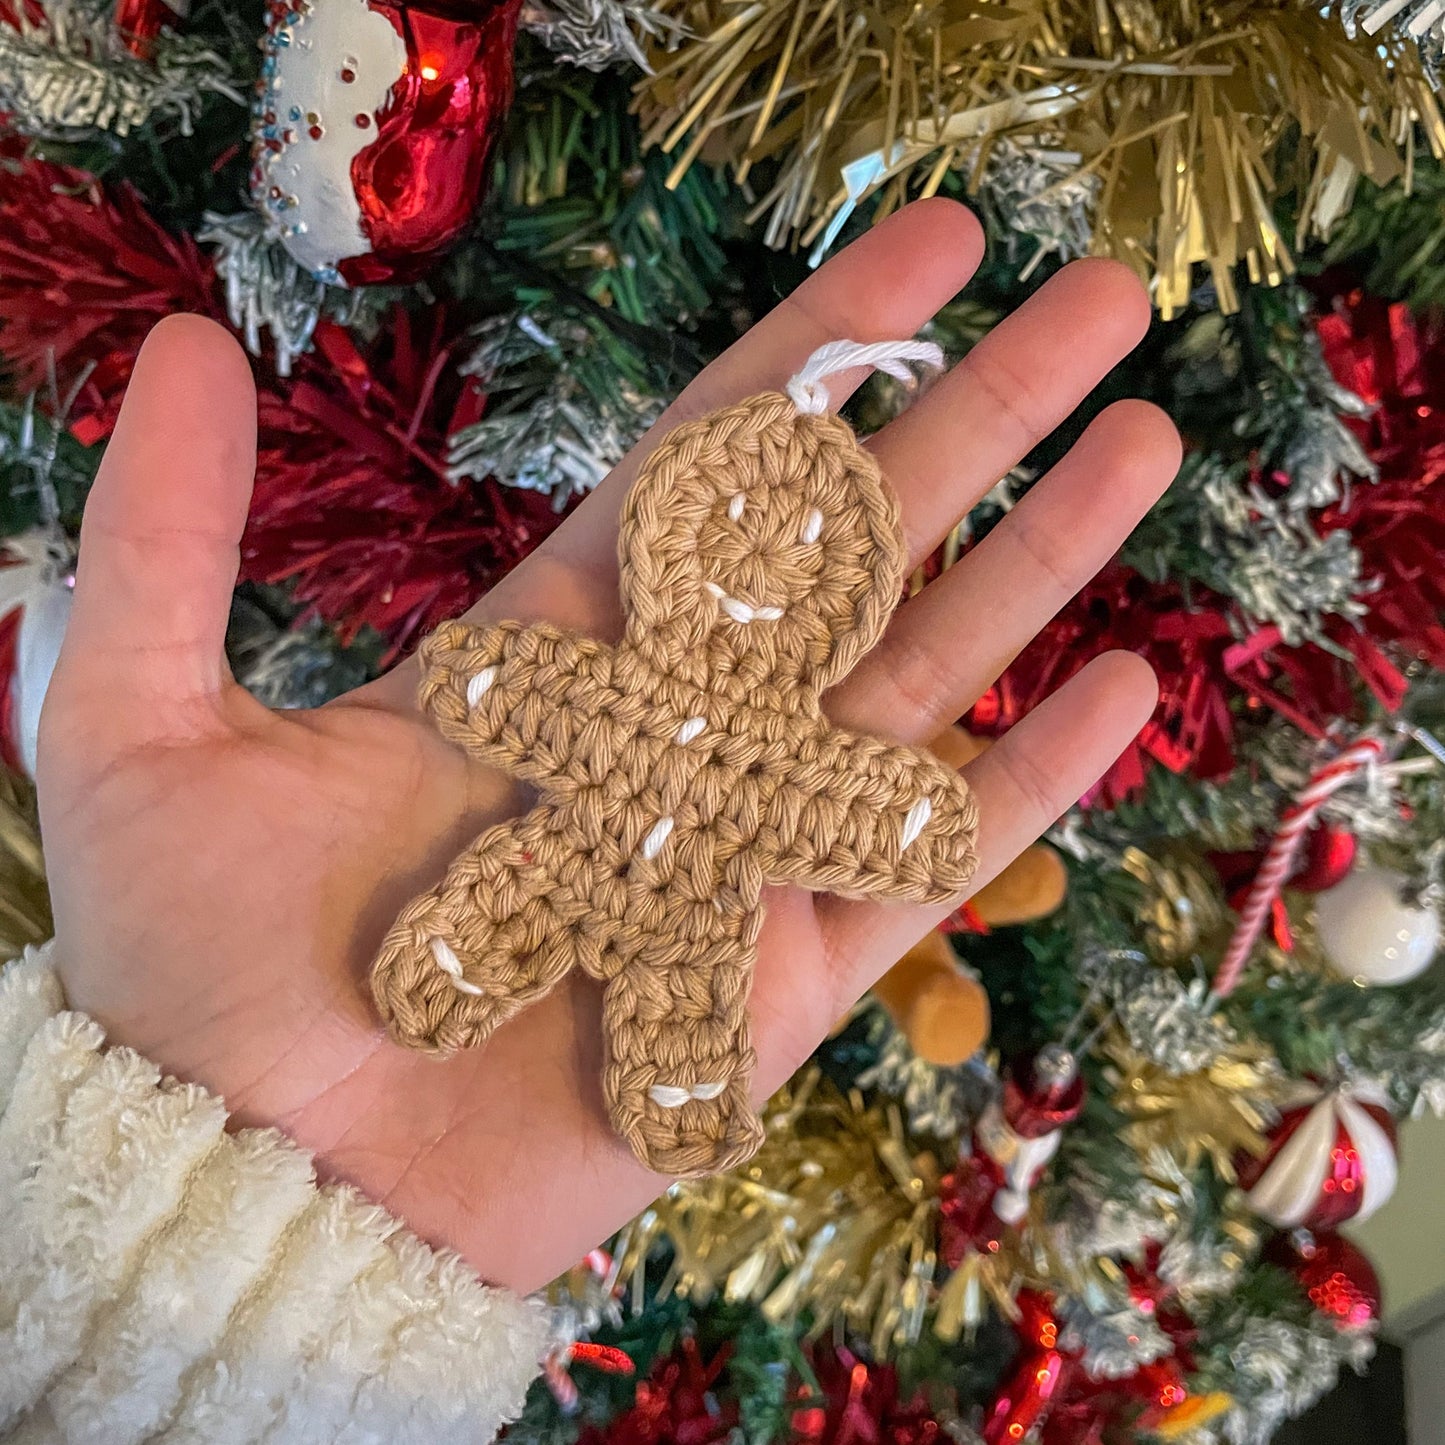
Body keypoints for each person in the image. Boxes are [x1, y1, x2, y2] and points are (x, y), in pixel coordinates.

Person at [0, 197, 1180, 1441]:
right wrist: (492, 682)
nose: (758, 574)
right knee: (510, 895)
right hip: (565, 844)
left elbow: (846, 802)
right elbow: (524, 688)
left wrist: (900, 822)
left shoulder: (778, 750)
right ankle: (466, 967)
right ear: (674, 545)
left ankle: (665, 1071)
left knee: (680, 986)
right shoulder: (619, 686)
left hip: (697, 903)